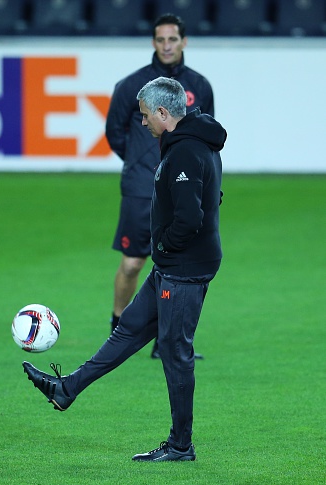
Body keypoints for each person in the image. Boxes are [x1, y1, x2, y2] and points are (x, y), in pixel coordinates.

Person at [23, 77, 227, 462]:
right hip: (173, 266)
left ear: (164, 113)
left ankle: (181, 445)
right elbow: (213, 194)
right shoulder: (194, 143)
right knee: (129, 329)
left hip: (183, 269)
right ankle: (66, 389)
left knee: (174, 350)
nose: (143, 122)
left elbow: (191, 216)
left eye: (146, 115)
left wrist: (163, 244)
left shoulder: (185, 152)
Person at [106, 13, 214, 359]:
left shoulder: (201, 85)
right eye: (160, 40)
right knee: (133, 263)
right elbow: (114, 133)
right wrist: (142, 164)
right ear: (153, 42)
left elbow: (204, 134)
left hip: (181, 188)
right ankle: (118, 331)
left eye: (173, 39)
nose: (166, 46)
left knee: (177, 264)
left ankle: (165, 342)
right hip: (141, 186)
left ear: (184, 42)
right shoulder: (130, 86)